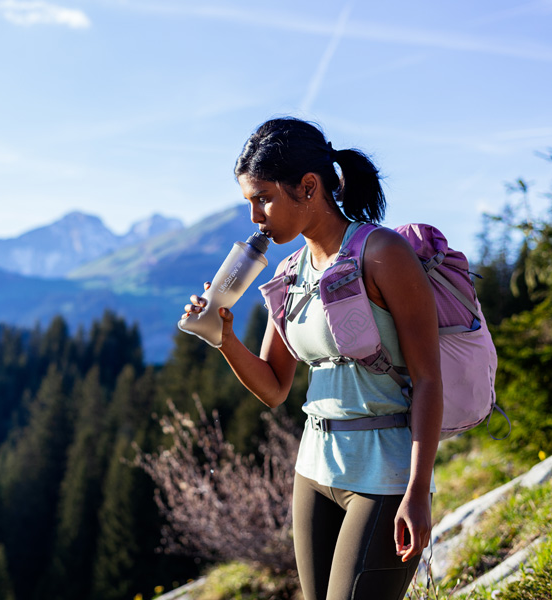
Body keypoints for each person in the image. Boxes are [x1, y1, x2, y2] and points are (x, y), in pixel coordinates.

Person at [183, 117, 443, 600]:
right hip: (314, 470)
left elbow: (429, 379)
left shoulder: (381, 252)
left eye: (263, 198)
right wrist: (223, 338)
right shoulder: (287, 273)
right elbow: (274, 387)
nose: (256, 217)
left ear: (308, 187)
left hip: (385, 475)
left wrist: (418, 488)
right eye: (249, 202)